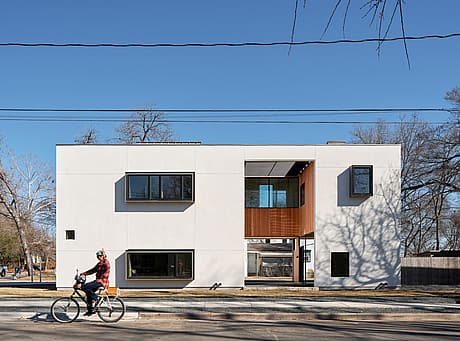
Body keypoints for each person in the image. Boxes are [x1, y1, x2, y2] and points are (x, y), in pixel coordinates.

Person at [80, 250, 110, 316]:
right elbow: (92, 270)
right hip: (98, 281)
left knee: (84, 287)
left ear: (103, 256)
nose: (99, 257)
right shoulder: (99, 264)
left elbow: (107, 266)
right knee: (88, 293)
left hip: (102, 282)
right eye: (98, 256)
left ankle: (97, 298)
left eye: (100, 256)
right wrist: (84, 273)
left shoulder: (106, 262)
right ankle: (90, 310)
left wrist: (104, 258)